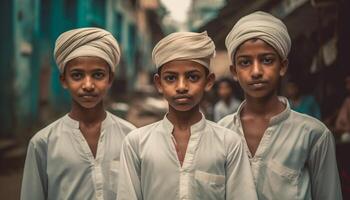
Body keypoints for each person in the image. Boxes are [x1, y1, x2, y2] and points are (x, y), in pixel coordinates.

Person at [117, 31, 257, 200]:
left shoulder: (229, 143)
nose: (182, 86)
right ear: (159, 83)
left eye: (192, 77)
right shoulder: (136, 143)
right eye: (171, 78)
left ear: (208, 81)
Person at [219, 11, 342, 199]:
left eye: (267, 60)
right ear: (234, 71)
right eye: (245, 62)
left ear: (283, 66)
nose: (256, 71)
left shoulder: (313, 134)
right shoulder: (221, 133)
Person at [20, 27, 135, 200]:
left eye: (98, 75)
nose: (88, 85)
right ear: (63, 80)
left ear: (110, 79)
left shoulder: (131, 137)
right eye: (77, 75)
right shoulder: (43, 143)